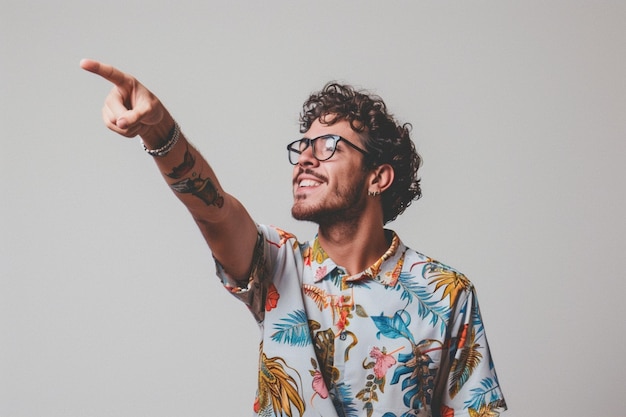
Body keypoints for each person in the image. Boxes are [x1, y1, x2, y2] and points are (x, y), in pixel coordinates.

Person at [80, 58, 507, 417]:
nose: (303, 158)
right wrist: (159, 130)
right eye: (302, 146)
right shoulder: (277, 265)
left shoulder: (447, 294)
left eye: (327, 146)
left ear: (378, 176)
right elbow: (214, 212)